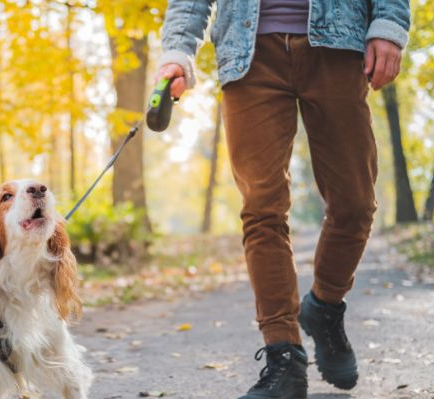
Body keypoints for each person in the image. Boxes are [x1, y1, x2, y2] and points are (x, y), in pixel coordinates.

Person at [156, 1, 410, 398]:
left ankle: (325, 306)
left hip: (338, 45)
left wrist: (389, 23)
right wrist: (177, 51)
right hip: (248, 52)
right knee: (262, 209)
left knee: (355, 204)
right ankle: (283, 355)